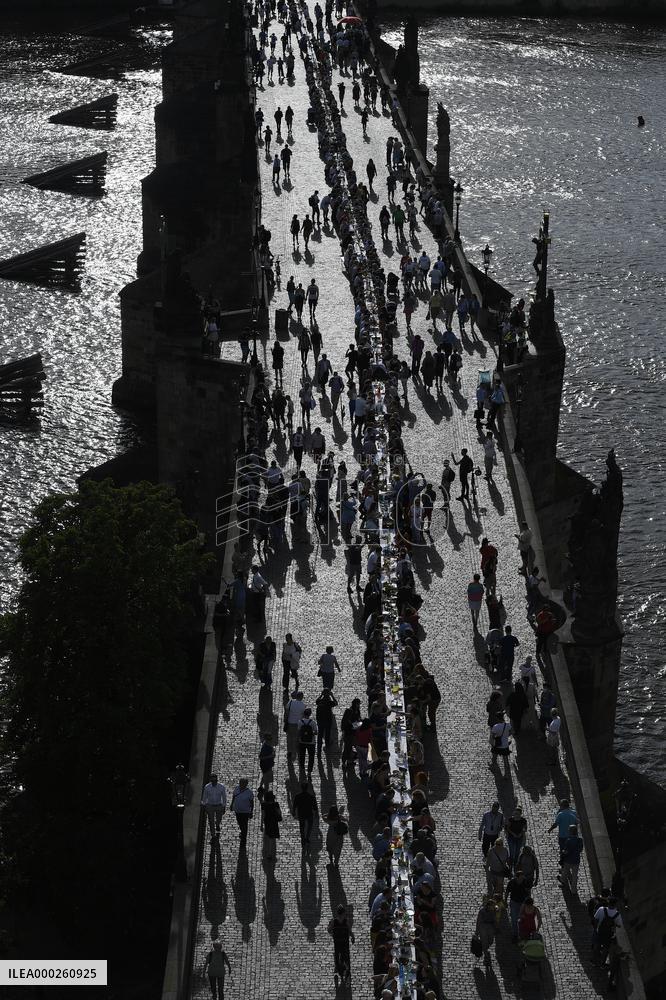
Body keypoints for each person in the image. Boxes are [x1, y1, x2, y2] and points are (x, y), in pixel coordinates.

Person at [328, 904, 355, 984]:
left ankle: (338, 968)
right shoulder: (346, 921)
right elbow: (349, 931)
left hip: (337, 941)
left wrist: (333, 934)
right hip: (344, 942)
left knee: (337, 954)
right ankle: (345, 969)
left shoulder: (334, 921)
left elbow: (329, 929)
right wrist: (353, 937)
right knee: (344, 955)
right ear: (343, 913)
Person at [592, 897, 622, 965]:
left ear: (608, 902)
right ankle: (602, 963)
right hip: (609, 935)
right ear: (615, 905)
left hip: (599, 931)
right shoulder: (617, 914)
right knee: (606, 949)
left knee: (597, 946)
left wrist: (596, 929)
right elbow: (619, 925)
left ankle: (594, 961)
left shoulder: (601, 909)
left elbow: (595, 919)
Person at [558, 823, 584, 895]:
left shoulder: (568, 840)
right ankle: (573, 890)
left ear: (571, 832)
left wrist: (562, 852)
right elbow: (580, 850)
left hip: (568, 860)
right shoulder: (580, 840)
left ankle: (563, 882)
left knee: (565, 872)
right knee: (575, 876)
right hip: (576, 860)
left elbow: (566, 851)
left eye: (569, 830)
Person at [505, 869, 530, 940]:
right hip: (514, 902)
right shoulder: (511, 882)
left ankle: (523, 934)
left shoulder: (525, 882)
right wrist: (505, 900)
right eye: (521, 877)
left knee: (523, 919)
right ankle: (515, 935)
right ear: (517, 877)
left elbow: (528, 892)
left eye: (523, 877)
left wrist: (528, 902)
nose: (522, 879)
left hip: (523, 903)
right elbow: (507, 892)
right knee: (514, 919)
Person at [293, 780, 318, 848]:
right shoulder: (311, 797)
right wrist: (316, 814)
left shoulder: (297, 796)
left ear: (301, 788)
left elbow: (294, 805)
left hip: (301, 814)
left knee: (302, 827)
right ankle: (307, 837)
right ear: (307, 788)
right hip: (309, 814)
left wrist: (293, 812)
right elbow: (315, 807)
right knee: (310, 826)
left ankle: (303, 838)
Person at [475, 896, 499, 968]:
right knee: (484, 942)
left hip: (490, 927)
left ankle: (486, 950)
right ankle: (486, 957)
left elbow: (496, 915)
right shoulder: (482, 911)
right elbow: (478, 921)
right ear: (488, 906)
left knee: (490, 941)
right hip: (483, 927)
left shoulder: (494, 910)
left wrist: (496, 927)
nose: (493, 907)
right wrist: (477, 932)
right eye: (492, 906)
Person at [201, 774, 227, 839]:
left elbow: (224, 797)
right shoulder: (207, 787)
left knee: (219, 818)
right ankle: (213, 834)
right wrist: (204, 805)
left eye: (215, 780)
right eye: (212, 781)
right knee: (211, 821)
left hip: (219, 805)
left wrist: (224, 807)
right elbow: (204, 797)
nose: (214, 782)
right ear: (211, 780)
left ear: (217, 780)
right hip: (210, 806)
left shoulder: (221, 787)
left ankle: (217, 824)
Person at [230, 778, 254, 849]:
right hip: (237, 810)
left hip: (245, 812)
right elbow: (234, 797)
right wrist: (231, 804)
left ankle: (244, 837)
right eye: (240, 783)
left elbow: (252, 803)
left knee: (245, 825)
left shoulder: (249, 792)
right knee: (240, 823)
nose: (241, 784)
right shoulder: (236, 789)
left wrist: (251, 811)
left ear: (246, 784)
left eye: (243, 783)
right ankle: (242, 832)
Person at [261, 790, 282, 862]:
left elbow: (263, 815)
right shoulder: (276, 804)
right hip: (274, 822)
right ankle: (270, 852)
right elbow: (279, 812)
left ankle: (269, 853)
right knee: (272, 837)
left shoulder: (264, 805)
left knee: (268, 837)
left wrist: (261, 824)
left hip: (267, 822)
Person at [284, 689, 306, 758]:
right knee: (296, 738)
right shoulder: (303, 705)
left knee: (289, 737)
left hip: (290, 722)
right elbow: (303, 715)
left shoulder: (291, 702)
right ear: (301, 697)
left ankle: (289, 751)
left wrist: (286, 719)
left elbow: (286, 711)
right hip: (298, 724)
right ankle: (296, 751)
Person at [316, 688, 338, 752]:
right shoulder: (329, 702)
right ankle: (327, 745)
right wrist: (332, 696)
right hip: (328, 720)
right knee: (327, 733)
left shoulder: (320, 701)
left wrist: (321, 695)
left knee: (320, 733)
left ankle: (319, 746)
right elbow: (336, 703)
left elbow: (316, 701)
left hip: (320, 720)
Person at [298, 708, 317, 776]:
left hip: (302, 742)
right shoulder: (313, 722)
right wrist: (311, 733)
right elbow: (316, 732)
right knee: (311, 757)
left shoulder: (300, 722)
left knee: (302, 755)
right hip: (311, 742)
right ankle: (309, 771)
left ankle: (302, 768)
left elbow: (298, 732)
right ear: (310, 714)